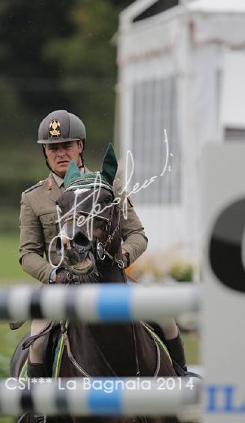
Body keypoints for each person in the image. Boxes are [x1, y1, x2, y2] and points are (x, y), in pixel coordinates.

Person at [17, 109, 189, 379]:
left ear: (80, 146)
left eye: (66, 146)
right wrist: (53, 275)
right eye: (53, 148)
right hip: (62, 284)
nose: (60, 153)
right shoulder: (34, 198)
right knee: (37, 342)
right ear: (45, 152)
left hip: (111, 279)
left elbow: (137, 235)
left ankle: (182, 382)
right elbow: (27, 253)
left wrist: (123, 256)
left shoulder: (109, 186)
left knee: (166, 318)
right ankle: (37, 404)